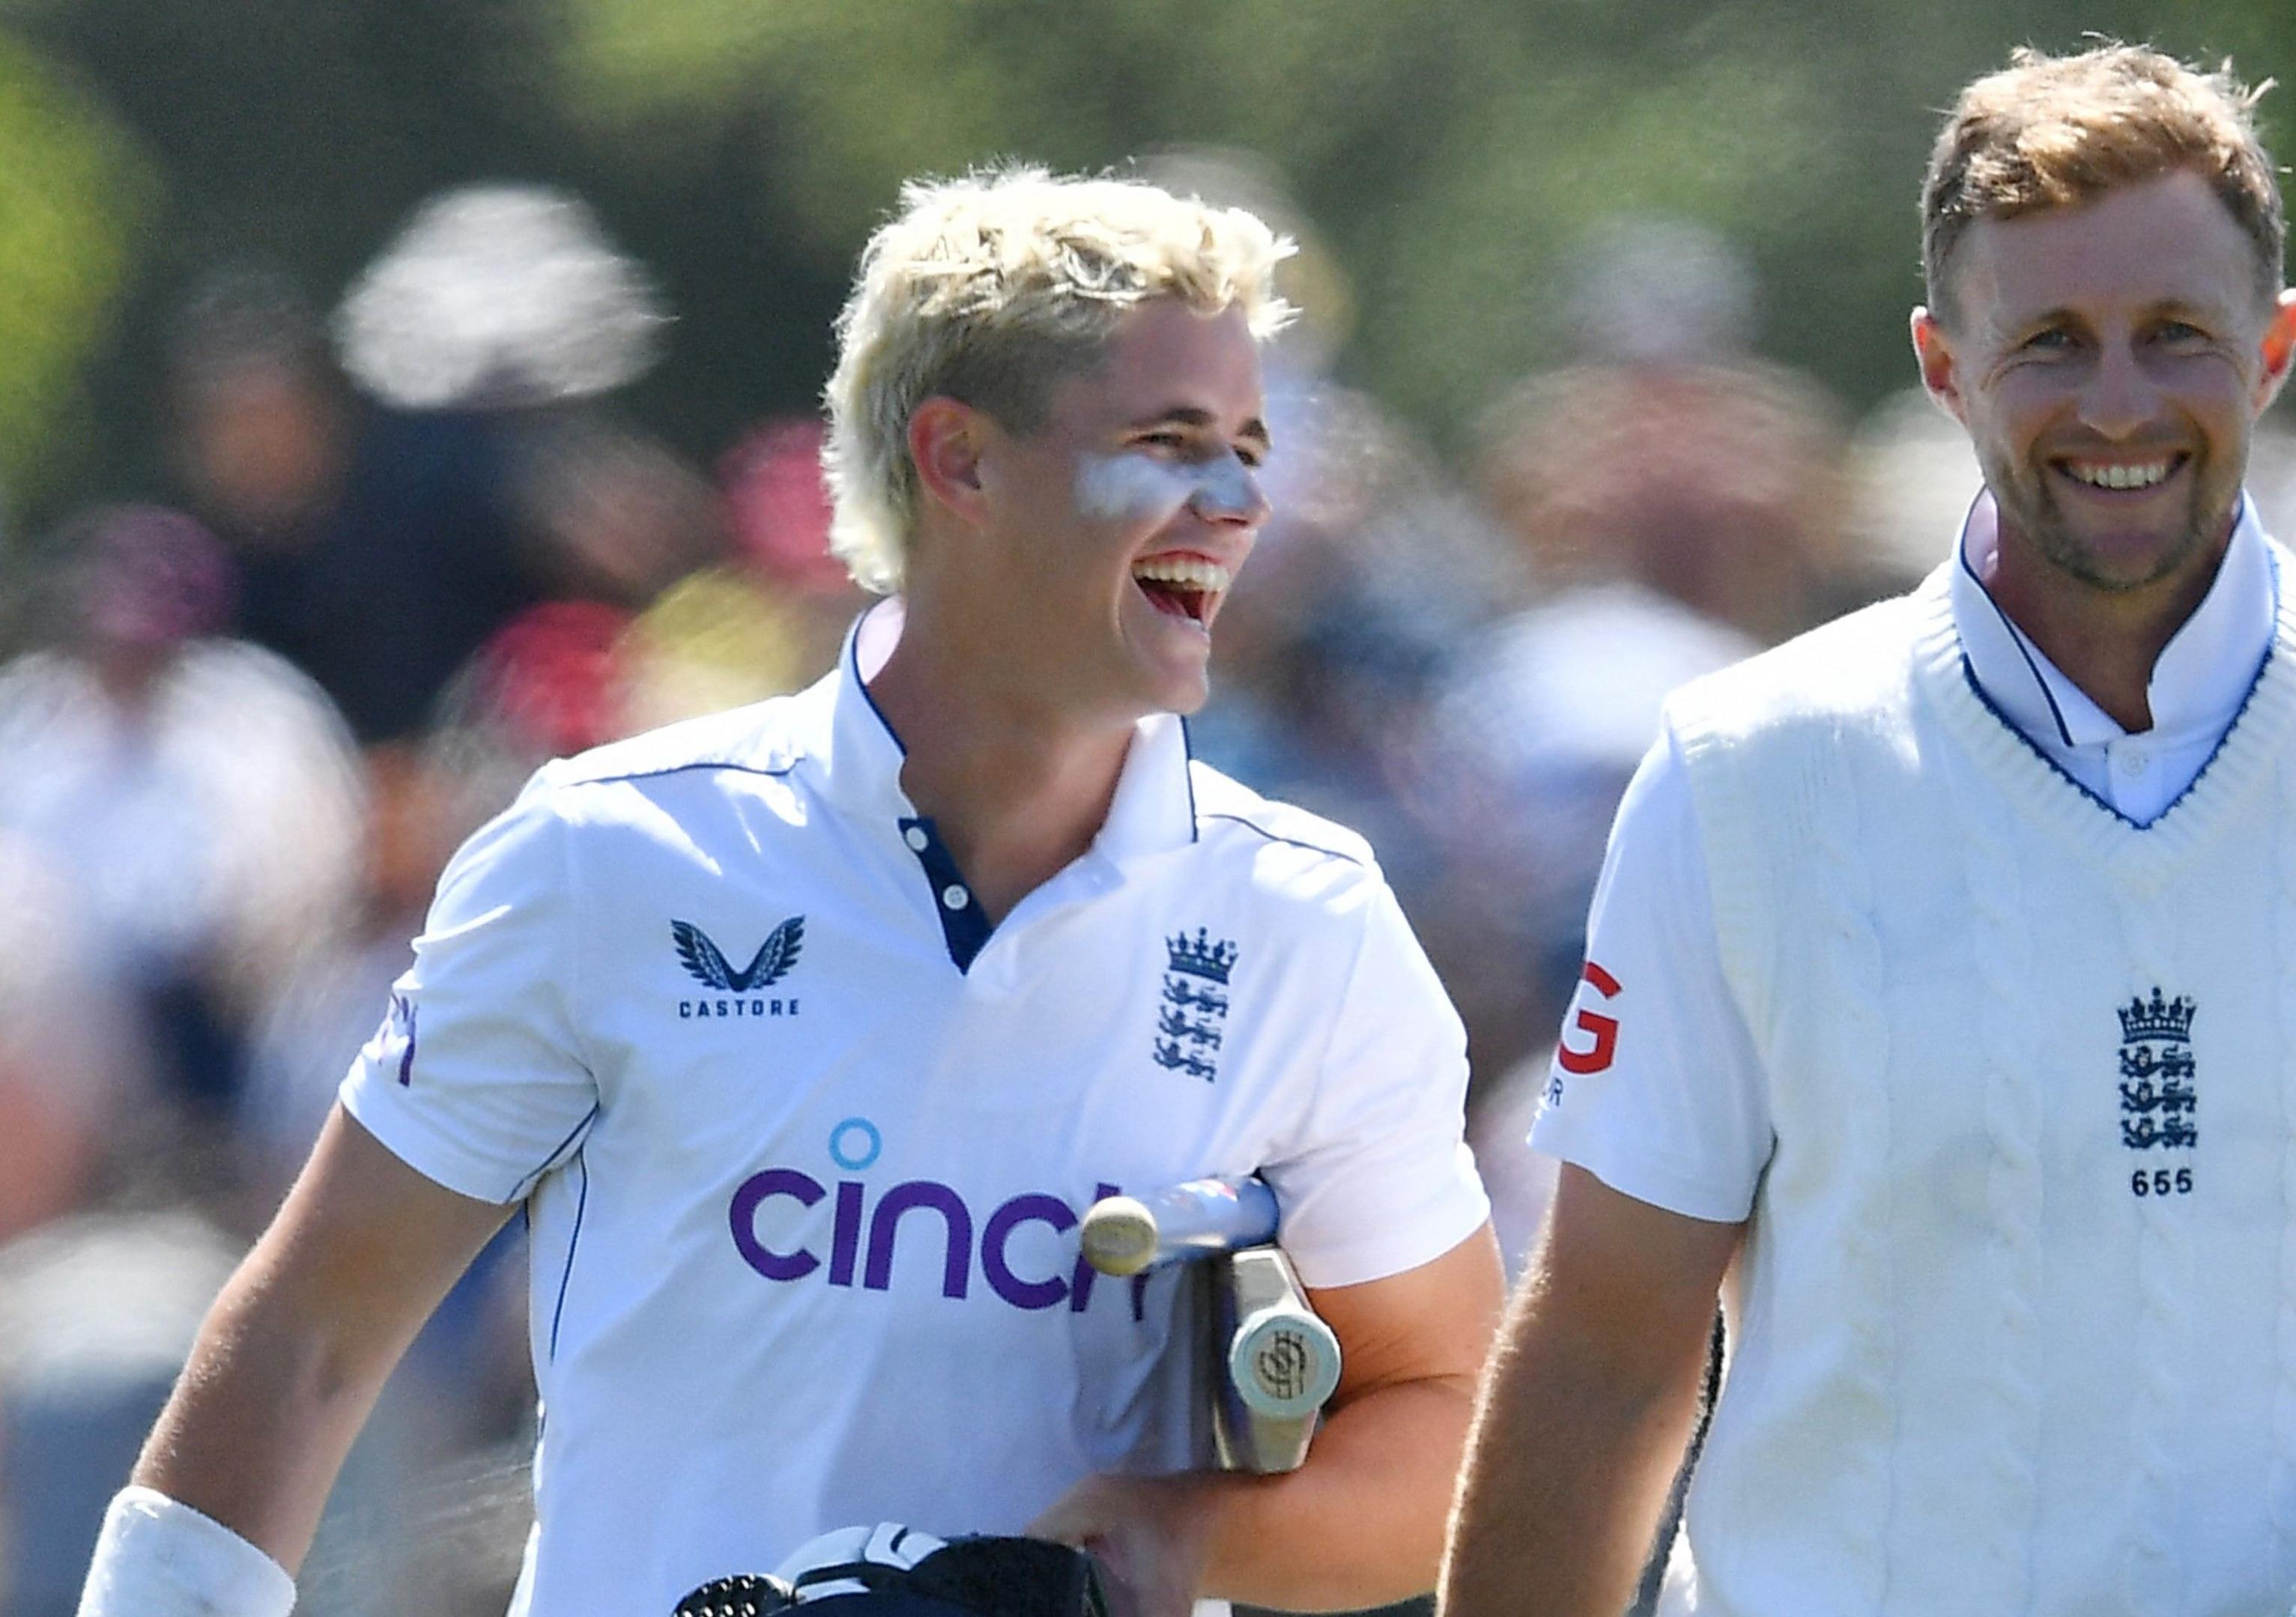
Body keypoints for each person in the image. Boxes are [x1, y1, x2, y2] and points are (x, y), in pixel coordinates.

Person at [79, 169, 1502, 1617]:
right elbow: (310, 1337)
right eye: (1171, 441)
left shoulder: (1308, 919)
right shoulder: (607, 852)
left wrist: (1159, 1550)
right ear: (959, 460)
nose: (1244, 501)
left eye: (1253, 447)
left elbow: (1453, 1415)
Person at [1443, 45, 2296, 1617]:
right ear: (1942, 366)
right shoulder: (1746, 772)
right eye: (2051, 343)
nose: (2120, 404)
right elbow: (1602, 1348)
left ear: (2272, 351)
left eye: (2174, 335)